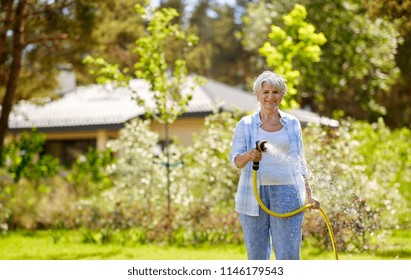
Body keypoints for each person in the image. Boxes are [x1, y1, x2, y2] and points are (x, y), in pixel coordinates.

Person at [230, 71, 321, 260]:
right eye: (265, 92)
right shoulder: (246, 124)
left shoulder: (292, 123)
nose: (270, 97)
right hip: (253, 193)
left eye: (276, 92)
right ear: (257, 95)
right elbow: (236, 161)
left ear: (282, 95)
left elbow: (299, 161)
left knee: (288, 254)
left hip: (287, 192)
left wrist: (309, 194)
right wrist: (250, 155)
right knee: (257, 257)